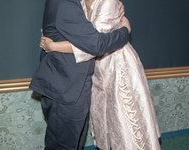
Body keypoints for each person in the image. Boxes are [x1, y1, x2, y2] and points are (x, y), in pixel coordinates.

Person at [39, 0, 161, 149]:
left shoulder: (108, 2)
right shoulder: (76, 3)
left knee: (124, 121)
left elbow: (96, 44)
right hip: (93, 70)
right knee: (103, 119)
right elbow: (88, 41)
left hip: (116, 67)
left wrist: (55, 46)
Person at [30, 0, 131, 149]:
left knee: (73, 141)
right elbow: (97, 44)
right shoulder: (66, 4)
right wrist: (125, 30)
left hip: (66, 82)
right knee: (63, 144)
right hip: (67, 86)